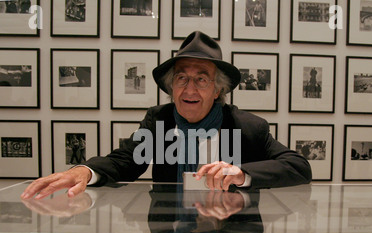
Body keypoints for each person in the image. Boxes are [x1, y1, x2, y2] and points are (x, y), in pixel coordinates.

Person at [21, 31, 312, 201]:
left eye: (202, 79)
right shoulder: (159, 121)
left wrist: (243, 174)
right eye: (181, 78)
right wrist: (84, 170)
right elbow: (124, 162)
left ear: (217, 90)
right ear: (172, 87)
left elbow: (298, 167)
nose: (190, 88)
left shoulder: (248, 127)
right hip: (169, 232)